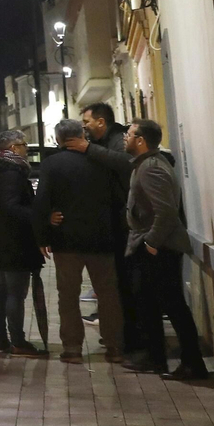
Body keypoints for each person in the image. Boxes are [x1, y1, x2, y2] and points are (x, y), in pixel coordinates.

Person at [122, 120, 209, 380]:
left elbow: (167, 212)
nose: (124, 138)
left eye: (128, 134)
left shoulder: (151, 168)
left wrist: (150, 243)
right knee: (150, 303)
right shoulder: (145, 165)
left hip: (161, 248)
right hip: (155, 245)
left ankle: (191, 362)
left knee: (172, 305)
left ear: (140, 140)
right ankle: (157, 358)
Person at [35, 119, 124, 364]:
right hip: (101, 237)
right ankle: (114, 345)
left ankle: (72, 348)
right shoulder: (101, 161)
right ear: (82, 134)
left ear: (58, 139)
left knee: (68, 295)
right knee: (107, 293)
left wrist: (43, 233)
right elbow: (117, 197)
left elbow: (42, 199)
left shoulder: (52, 164)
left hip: (66, 238)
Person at [64, 102, 140, 359]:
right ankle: (124, 339)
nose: (84, 125)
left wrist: (88, 149)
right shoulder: (106, 142)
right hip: (116, 224)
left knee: (124, 285)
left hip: (127, 224)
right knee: (117, 286)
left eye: (87, 121)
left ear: (101, 122)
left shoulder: (116, 139)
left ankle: (131, 340)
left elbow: (129, 163)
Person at [0, 131, 47, 356]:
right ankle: (17, 341)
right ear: (11, 149)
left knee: (1, 291)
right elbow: (11, 207)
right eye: (23, 145)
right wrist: (37, 215)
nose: (26, 149)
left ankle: (1, 339)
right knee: (14, 294)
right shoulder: (12, 174)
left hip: (0, 242)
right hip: (14, 243)